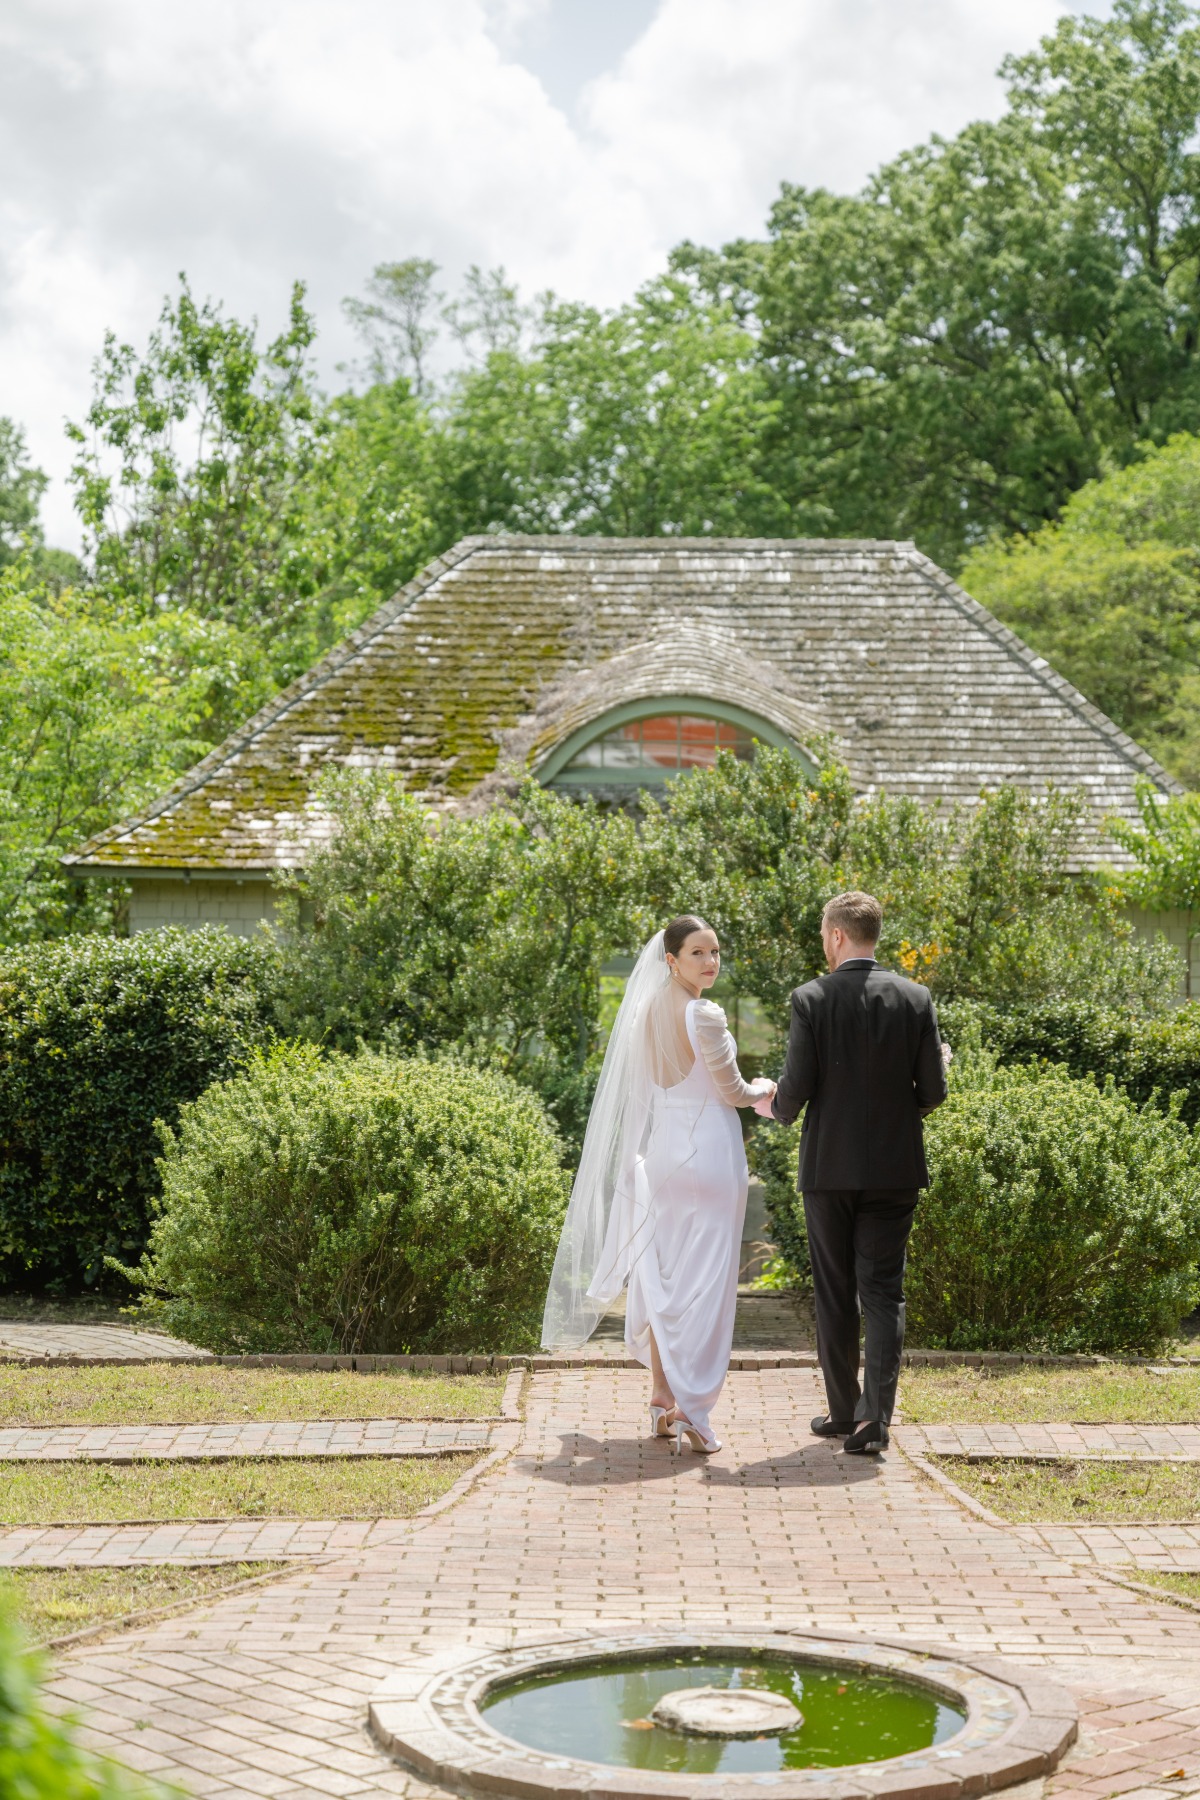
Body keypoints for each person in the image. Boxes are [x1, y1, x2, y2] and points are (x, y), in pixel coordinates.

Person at [542, 915, 775, 1454]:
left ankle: (660, 1398)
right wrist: (770, 1086)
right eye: (698, 953)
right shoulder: (705, 1014)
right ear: (671, 959)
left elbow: (643, 1096)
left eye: (715, 952)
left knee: (664, 1276)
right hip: (712, 1157)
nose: (711, 962)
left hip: (664, 1155)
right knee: (708, 1285)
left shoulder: (643, 1013)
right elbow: (734, 1090)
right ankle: (694, 1409)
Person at [754, 891, 947, 1455]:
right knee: (883, 1294)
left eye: (822, 933)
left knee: (834, 1292)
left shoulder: (810, 997)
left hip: (829, 1169)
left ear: (836, 936)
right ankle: (871, 1420)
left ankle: (843, 1411)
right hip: (894, 1168)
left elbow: (799, 1085)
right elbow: (931, 1093)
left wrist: (775, 1105)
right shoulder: (915, 997)